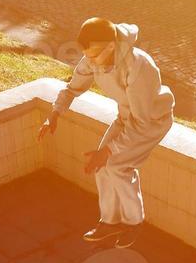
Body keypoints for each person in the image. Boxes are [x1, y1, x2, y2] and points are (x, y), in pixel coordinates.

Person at [38, 17, 175, 248]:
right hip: (126, 117)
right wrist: (54, 114)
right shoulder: (94, 57)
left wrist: (109, 151)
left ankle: (134, 223)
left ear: (111, 46)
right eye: (87, 56)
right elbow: (73, 88)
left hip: (152, 121)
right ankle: (110, 222)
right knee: (101, 164)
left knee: (117, 166)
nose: (90, 62)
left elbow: (141, 123)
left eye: (93, 56)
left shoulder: (138, 66)